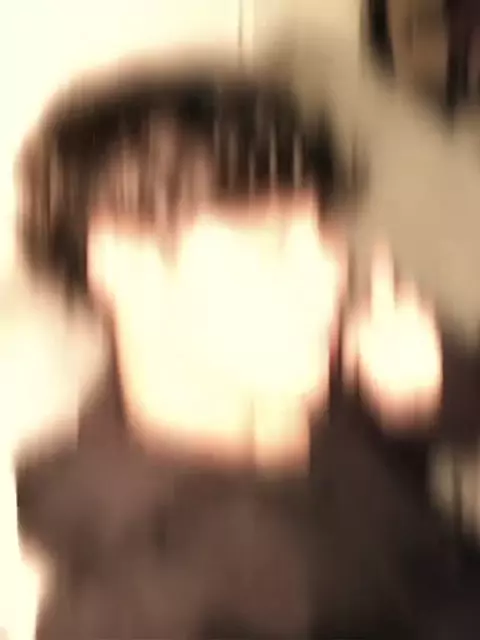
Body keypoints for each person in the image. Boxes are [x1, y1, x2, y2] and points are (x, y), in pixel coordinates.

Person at [13, 58, 480, 639]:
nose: (330, 274)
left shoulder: (308, 363)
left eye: (323, 231)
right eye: (272, 242)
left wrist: (435, 389)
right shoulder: (140, 604)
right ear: (125, 265)